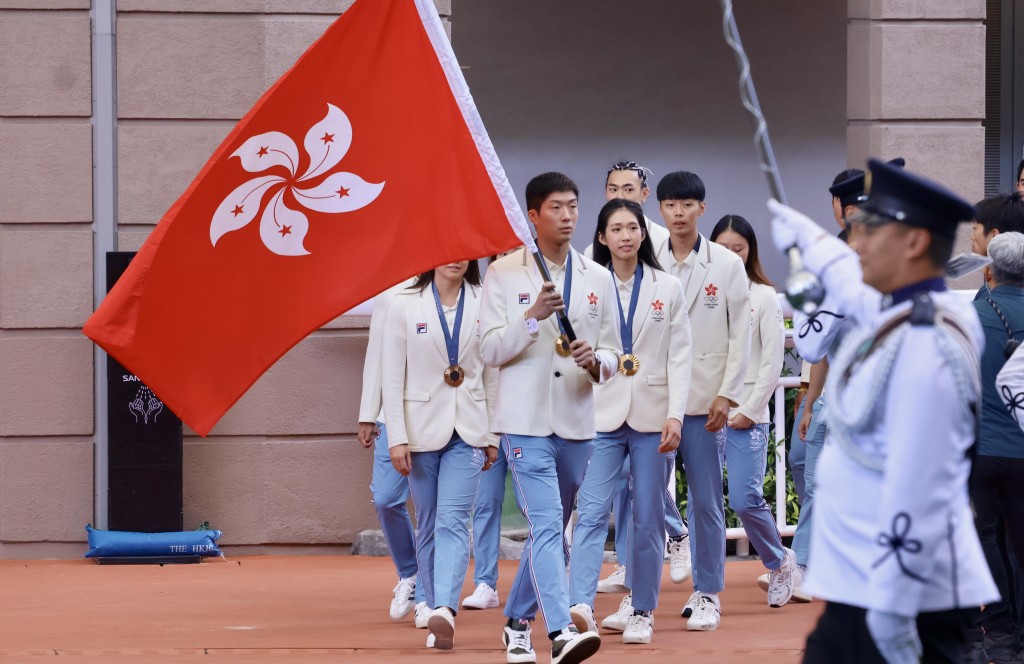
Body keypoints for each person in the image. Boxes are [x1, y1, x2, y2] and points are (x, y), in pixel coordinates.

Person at [770, 158, 998, 663]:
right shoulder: (899, 308)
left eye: (869, 232)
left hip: (901, 590)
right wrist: (808, 238)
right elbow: (847, 283)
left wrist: (893, 620)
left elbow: (922, 484)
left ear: (914, 244)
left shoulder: (927, 340)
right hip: (867, 580)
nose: (857, 245)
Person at [479, 172, 620, 664]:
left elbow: (614, 355)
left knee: (549, 528)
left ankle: (517, 623)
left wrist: (595, 361)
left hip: (577, 421)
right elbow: (489, 349)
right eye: (556, 208)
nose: (567, 216)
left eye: (573, 207)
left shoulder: (598, 277)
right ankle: (560, 632)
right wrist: (533, 315)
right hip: (525, 422)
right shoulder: (503, 274)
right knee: (545, 522)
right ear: (533, 216)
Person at [566, 198, 690, 645]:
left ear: (643, 234)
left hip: (653, 415)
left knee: (648, 515)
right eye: (615, 229)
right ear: (601, 238)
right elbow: (585, 351)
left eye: (631, 227)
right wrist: (595, 364)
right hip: (601, 412)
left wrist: (675, 414)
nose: (624, 236)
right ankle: (580, 602)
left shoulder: (666, 287)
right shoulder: (588, 288)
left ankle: (642, 609)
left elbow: (680, 356)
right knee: (592, 511)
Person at [381, 261, 499, 651]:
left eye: (464, 251)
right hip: (419, 431)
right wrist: (396, 438)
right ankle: (429, 602)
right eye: (448, 249)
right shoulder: (404, 303)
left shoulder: (485, 301)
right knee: (429, 520)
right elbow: (392, 375)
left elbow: (493, 373)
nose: (456, 258)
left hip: (468, 429)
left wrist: (493, 433)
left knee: (452, 519)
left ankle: (444, 609)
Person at [652, 170, 751, 631]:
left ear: (701, 208)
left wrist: (728, 394)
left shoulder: (726, 266)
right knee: (644, 499)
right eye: (670, 204)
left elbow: (741, 334)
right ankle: (640, 595)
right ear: (660, 210)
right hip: (652, 402)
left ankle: (708, 591)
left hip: (705, 403)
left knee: (707, 501)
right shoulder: (647, 259)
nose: (678, 212)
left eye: (686, 204)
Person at [709, 214, 795, 607]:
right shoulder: (702, 292)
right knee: (703, 499)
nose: (730, 256)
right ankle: (705, 586)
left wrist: (750, 407)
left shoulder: (763, 296)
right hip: (705, 413)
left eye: (738, 249)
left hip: (746, 416)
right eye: (723, 249)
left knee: (744, 499)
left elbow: (772, 360)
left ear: (750, 251)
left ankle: (779, 562)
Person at [356, 279, 427, 625]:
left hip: (439, 415)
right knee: (385, 498)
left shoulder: (454, 287)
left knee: (435, 508)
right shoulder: (391, 291)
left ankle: (430, 593)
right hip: (393, 415)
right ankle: (410, 574)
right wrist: (369, 413)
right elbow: (376, 353)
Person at [970, 230, 1024, 663]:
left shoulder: (976, 315)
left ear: (989, 270)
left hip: (983, 449)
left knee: (984, 538)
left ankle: (998, 628)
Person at [463, 249, 521, 612]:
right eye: (501, 252)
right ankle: (485, 582)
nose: (508, 258)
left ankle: (554, 579)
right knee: (485, 504)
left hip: (534, 424)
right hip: (490, 424)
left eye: (516, 250)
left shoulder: (543, 303)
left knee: (547, 510)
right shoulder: (478, 301)